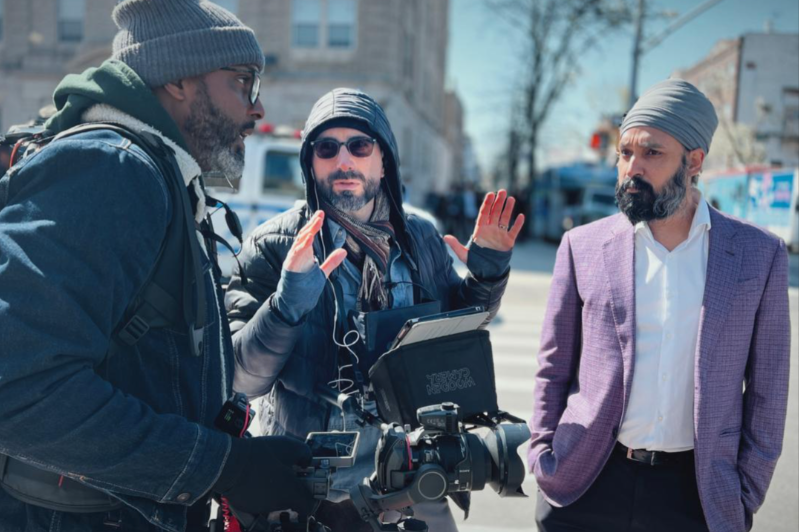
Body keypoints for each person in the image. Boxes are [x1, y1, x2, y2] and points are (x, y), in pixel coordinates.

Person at [0, 1, 316, 531]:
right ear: (178, 80)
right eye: (243, 82)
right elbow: (18, 383)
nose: (256, 108)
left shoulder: (160, 173)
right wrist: (221, 467)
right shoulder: (112, 169)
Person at [225, 87, 525, 531]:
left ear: (383, 159)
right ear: (311, 162)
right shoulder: (276, 245)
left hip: (410, 481)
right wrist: (287, 305)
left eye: (360, 145)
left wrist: (486, 277)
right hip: (303, 489)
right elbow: (241, 379)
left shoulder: (420, 239)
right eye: (327, 148)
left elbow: (454, 340)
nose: (344, 160)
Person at [528, 79, 790, 532]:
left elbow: (769, 391)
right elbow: (554, 365)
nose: (632, 168)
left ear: (694, 162)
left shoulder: (758, 255)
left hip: (695, 496)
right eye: (624, 153)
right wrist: (543, 453)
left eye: (651, 153)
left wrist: (746, 490)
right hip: (585, 482)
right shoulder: (582, 246)